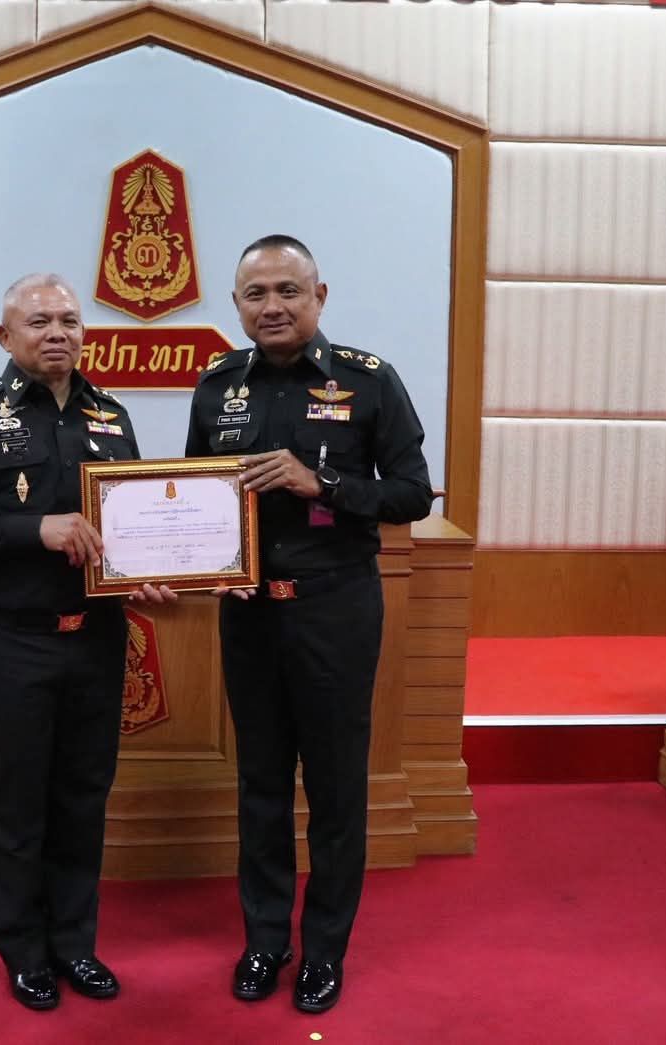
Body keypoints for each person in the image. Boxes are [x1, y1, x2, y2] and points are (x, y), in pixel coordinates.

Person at [185, 235, 433, 1014]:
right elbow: (196, 494)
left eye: (287, 290)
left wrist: (318, 480)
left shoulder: (367, 380)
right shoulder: (216, 385)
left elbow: (411, 493)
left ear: (318, 296)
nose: (272, 306)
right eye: (255, 294)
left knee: (333, 787)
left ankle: (324, 949)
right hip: (248, 614)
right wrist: (198, 562)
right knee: (259, 784)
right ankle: (265, 940)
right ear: (236, 305)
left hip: (334, 609)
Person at [0, 273, 172, 1012]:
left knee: (83, 798)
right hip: (12, 642)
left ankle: (75, 945)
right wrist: (35, 529)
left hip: (96, 640)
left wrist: (144, 574)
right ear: (6, 336)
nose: (57, 332)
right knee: (17, 805)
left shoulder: (111, 415)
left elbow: (127, 526)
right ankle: (24, 952)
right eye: (38, 322)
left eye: (69, 320)